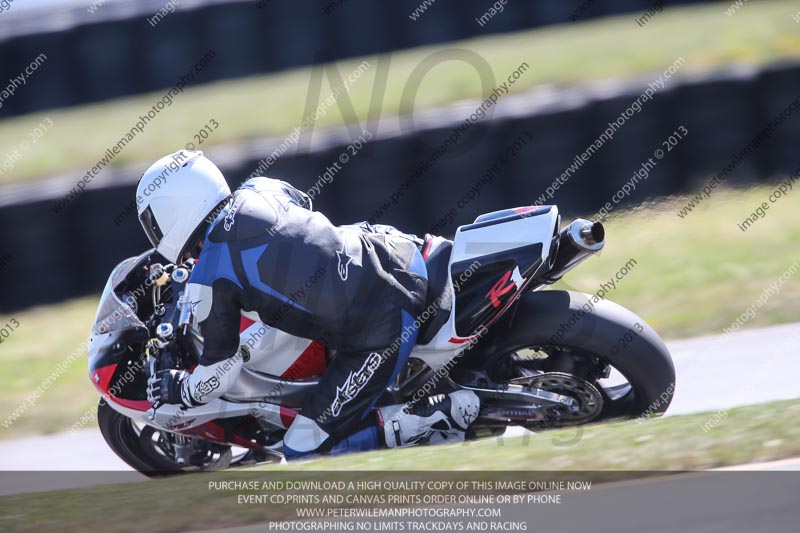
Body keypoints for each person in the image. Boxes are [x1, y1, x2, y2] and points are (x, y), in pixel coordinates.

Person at [138, 150, 479, 459]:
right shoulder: (259, 188)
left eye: (153, 223)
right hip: (395, 249)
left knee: (304, 449)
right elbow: (302, 208)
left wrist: (180, 387)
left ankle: (438, 413)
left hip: (383, 324)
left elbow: (219, 375)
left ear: (171, 211)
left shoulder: (211, 279)